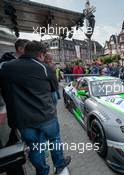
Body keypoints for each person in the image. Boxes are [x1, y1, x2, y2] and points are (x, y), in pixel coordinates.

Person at [0, 41, 71, 175]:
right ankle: (60, 166)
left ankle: (42, 171)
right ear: (41, 54)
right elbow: (54, 92)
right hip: (46, 116)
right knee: (54, 140)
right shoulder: (44, 68)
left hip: (23, 120)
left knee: (35, 147)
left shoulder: (6, 67)